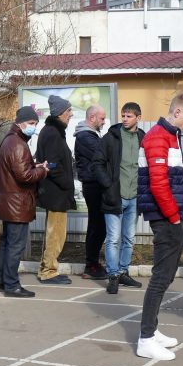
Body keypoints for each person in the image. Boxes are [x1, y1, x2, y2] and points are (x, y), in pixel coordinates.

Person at [135, 93, 183, 360]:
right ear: (177, 113)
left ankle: (153, 330)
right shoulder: (157, 137)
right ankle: (146, 338)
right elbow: (158, 184)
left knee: (166, 276)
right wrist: (174, 217)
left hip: (171, 217)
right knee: (161, 278)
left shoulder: (170, 136)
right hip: (166, 219)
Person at [0, 107, 49, 298]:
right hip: (17, 204)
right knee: (15, 246)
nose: (33, 127)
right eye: (31, 124)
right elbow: (24, 176)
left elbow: (19, 169)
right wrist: (42, 171)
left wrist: (34, 166)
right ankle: (11, 284)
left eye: (35, 124)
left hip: (8, 202)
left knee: (6, 243)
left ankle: (0, 280)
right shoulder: (17, 143)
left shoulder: (10, 140)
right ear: (21, 122)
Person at [92, 101, 145, 295]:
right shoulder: (111, 137)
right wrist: (108, 185)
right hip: (115, 196)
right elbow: (96, 163)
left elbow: (145, 168)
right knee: (113, 239)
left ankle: (123, 272)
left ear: (138, 118)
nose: (124, 119)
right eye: (123, 115)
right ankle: (113, 275)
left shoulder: (143, 138)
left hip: (135, 198)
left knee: (129, 238)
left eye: (129, 116)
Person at [35, 95, 77, 285]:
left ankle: (47, 267)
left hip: (56, 192)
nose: (71, 114)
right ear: (60, 113)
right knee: (56, 234)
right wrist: (68, 183)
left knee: (55, 233)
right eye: (69, 111)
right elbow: (52, 164)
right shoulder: (52, 132)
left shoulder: (53, 131)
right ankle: (48, 271)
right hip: (56, 192)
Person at [74, 104, 108, 280]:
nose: (103, 122)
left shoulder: (92, 135)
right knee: (97, 225)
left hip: (96, 184)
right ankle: (91, 264)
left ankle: (93, 263)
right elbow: (102, 154)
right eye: (102, 118)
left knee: (99, 225)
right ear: (92, 117)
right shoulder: (85, 136)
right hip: (92, 185)